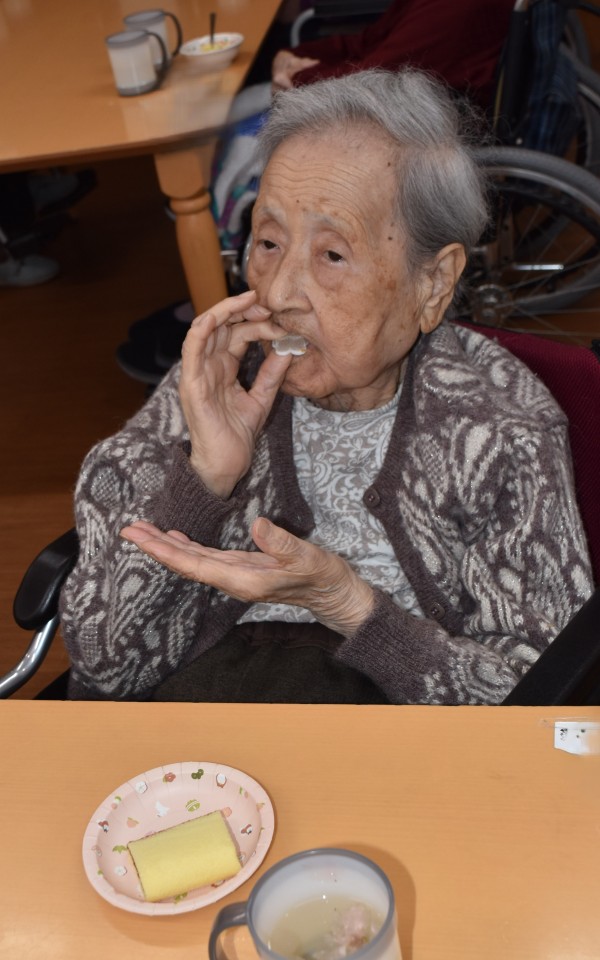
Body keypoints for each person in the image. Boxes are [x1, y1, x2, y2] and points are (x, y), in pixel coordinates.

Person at [61, 68, 593, 704]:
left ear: (432, 285)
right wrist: (204, 478)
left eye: (332, 255)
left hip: (390, 743)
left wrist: (348, 605)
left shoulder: (497, 428)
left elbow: (542, 704)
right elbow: (104, 669)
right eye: (268, 242)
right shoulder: (209, 388)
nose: (280, 292)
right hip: (193, 734)